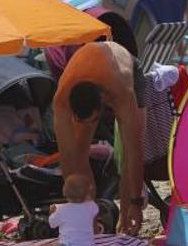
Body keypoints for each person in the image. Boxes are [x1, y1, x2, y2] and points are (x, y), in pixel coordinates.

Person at [53, 43, 144, 235]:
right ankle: (91, 216)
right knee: (77, 151)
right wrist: (82, 214)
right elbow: (69, 160)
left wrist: (134, 203)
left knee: (130, 148)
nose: (89, 126)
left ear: (103, 101)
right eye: (81, 121)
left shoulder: (121, 93)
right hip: (90, 69)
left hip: (124, 68)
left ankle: (125, 216)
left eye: (93, 120)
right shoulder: (61, 101)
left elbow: (133, 153)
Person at [48, 174, 98, 245]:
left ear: (64, 192)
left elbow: (52, 224)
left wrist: (52, 212)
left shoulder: (61, 210)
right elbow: (93, 208)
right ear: (88, 192)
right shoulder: (92, 206)